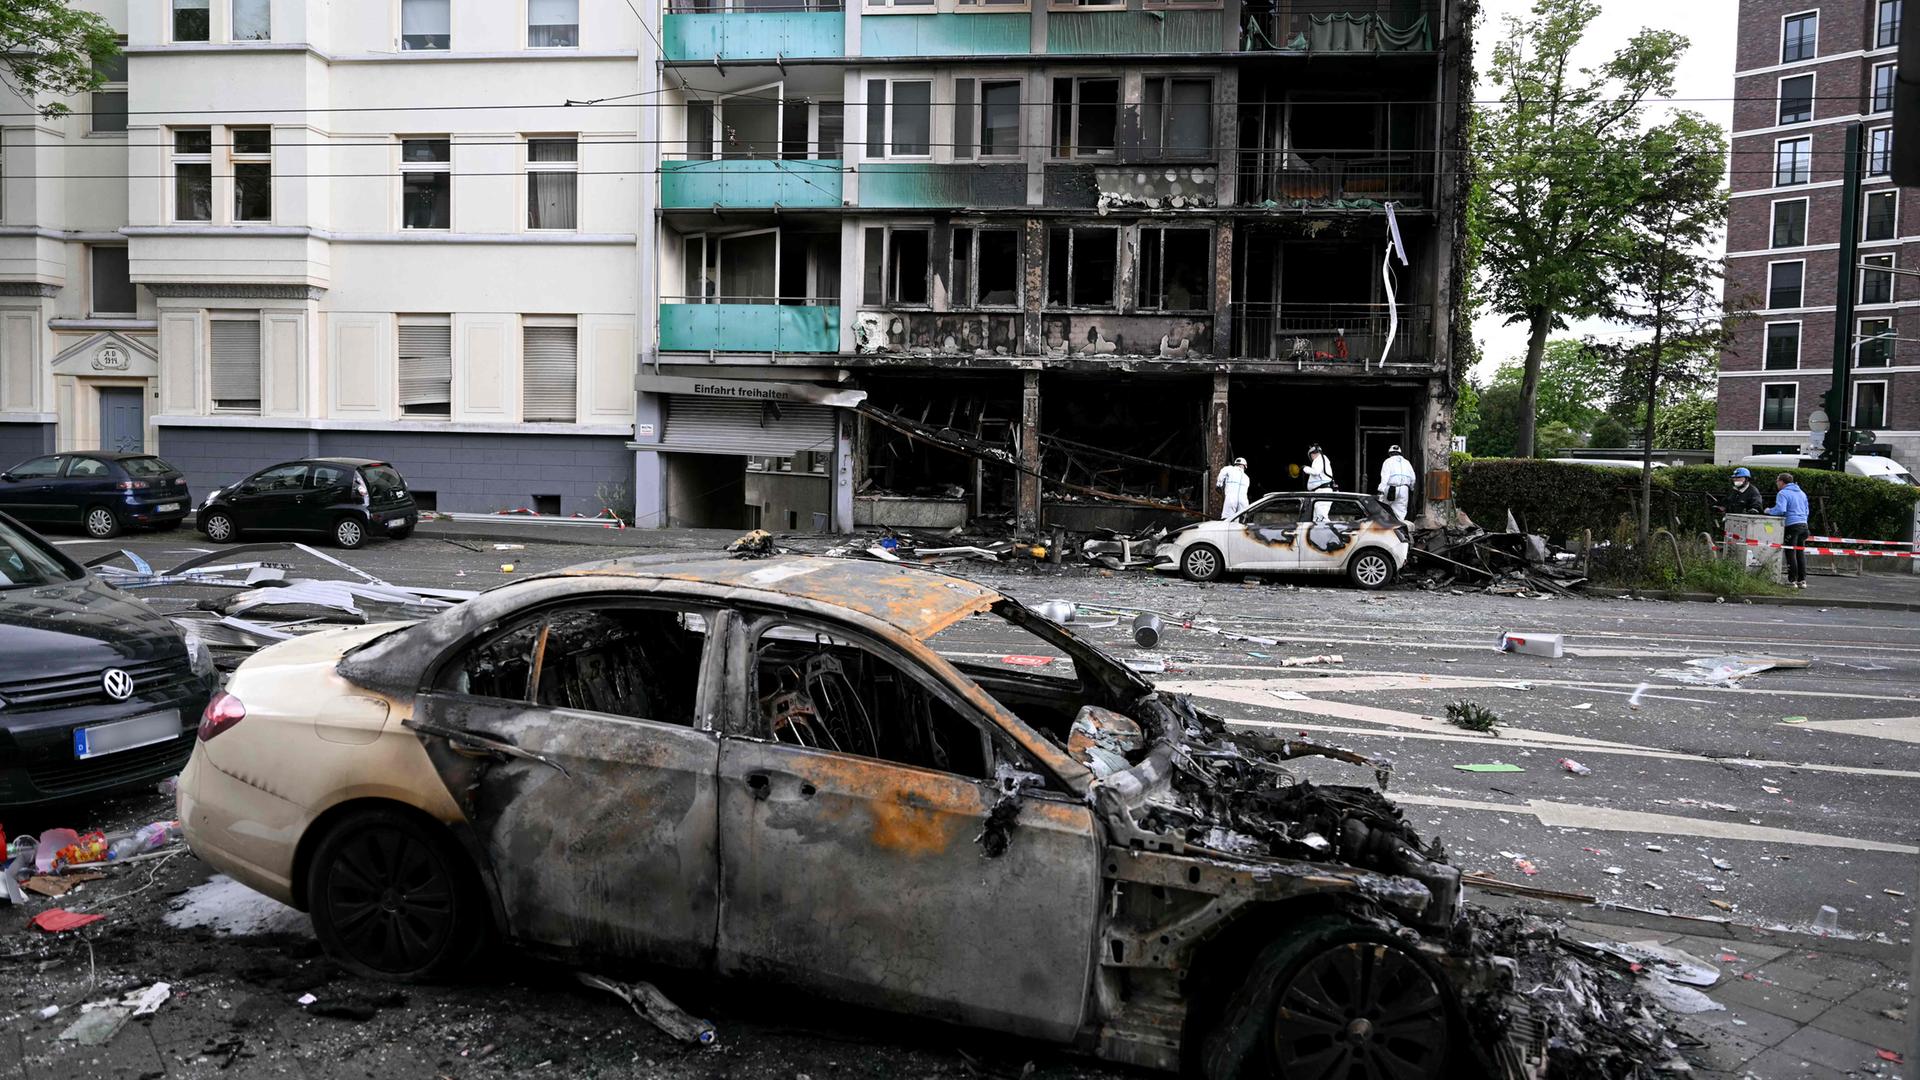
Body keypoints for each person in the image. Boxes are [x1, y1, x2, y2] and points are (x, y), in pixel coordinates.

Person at [1766, 471, 1811, 588]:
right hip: (1804, 526)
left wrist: (1769, 511)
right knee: (1800, 552)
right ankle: (1802, 580)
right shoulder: (1802, 493)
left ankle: (1792, 581)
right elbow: (1807, 511)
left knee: (1790, 552)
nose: (1776, 483)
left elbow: (1781, 510)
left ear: (1781, 482)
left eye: (1777, 481)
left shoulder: (1783, 493)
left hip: (1792, 526)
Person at [1376, 444, 1416, 521]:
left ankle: (1386, 527)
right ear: (1400, 453)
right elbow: (1413, 478)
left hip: (1391, 488)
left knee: (1385, 508)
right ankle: (1398, 529)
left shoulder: (1388, 461)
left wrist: (1381, 490)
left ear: (1390, 453)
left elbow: (1385, 477)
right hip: (1404, 489)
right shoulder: (1407, 462)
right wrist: (1411, 488)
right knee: (1400, 511)